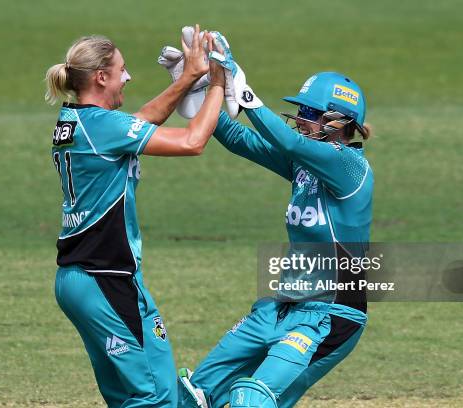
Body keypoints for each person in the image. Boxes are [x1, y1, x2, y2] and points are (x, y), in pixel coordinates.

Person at [45, 25, 224, 407]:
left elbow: (139, 122)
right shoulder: (103, 127)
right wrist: (218, 85)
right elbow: (192, 142)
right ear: (101, 77)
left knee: (159, 393)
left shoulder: (77, 120)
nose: (128, 76)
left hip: (102, 278)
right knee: (146, 399)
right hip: (102, 278)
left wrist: (190, 77)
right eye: (122, 69)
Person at [178, 59, 374, 406]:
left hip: (330, 316)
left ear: (338, 122)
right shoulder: (305, 163)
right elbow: (240, 139)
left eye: (309, 113)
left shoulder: (349, 166)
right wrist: (198, 89)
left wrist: (248, 96)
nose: (299, 119)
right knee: (193, 396)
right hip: (279, 307)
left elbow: (291, 143)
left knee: (251, 400)